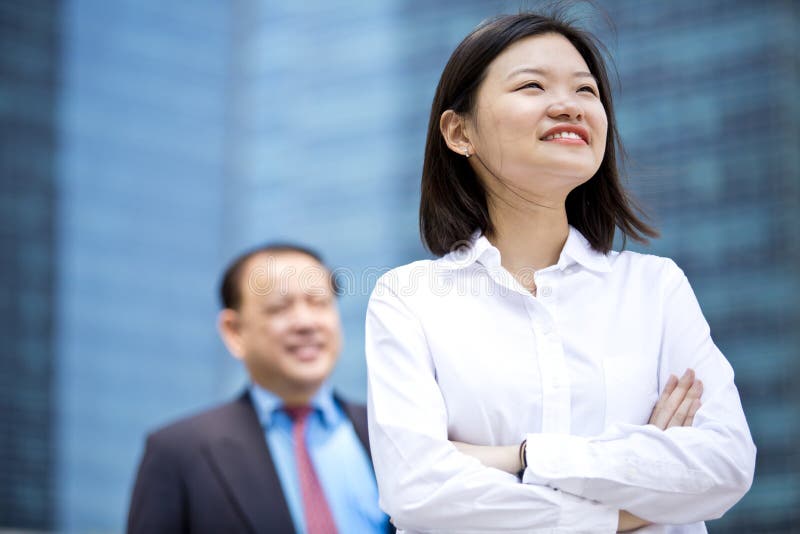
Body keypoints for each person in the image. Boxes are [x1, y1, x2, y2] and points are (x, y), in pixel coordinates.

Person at [365, 12, 755, 533]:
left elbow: (725, 466)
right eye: (532, 85)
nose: (569, 105)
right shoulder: (411, 299)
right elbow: (415, 491)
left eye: (587, 90)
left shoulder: (654, 288)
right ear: (460, 132)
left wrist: (520, 456)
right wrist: (630, 502)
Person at [128, 244, 391, 534]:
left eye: (319, 302)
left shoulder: (390, 430)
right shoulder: (178, 452)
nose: (305, 323)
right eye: (280, 307)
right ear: (234, 331)